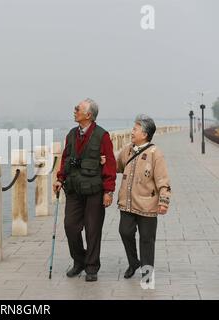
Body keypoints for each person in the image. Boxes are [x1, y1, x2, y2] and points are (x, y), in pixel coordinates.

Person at [53, 98, 116, 282]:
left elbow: (110, 164)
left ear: (88, 115)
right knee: (70, 227)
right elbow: (65, 159)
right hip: (73, 190)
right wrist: (59, 178)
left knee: (92, 230)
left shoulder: (102, 136)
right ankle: (79, 261)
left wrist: (108, 191)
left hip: (94, 191)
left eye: (77, 109)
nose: (74, 111)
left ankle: (91, 267)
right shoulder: (71, 134)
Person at [116, 114, 171, 281]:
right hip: (127, 203)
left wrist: (163, 202)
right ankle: (133, 263)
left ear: (145, 134)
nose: (132, 132)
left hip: (148, 205)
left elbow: (163, 180)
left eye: (135, 129)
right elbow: (117, 166)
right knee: (124, 232)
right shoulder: (127, 150)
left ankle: (147, 273)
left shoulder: (156, 153)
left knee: (147, 240)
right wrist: (104, 162)